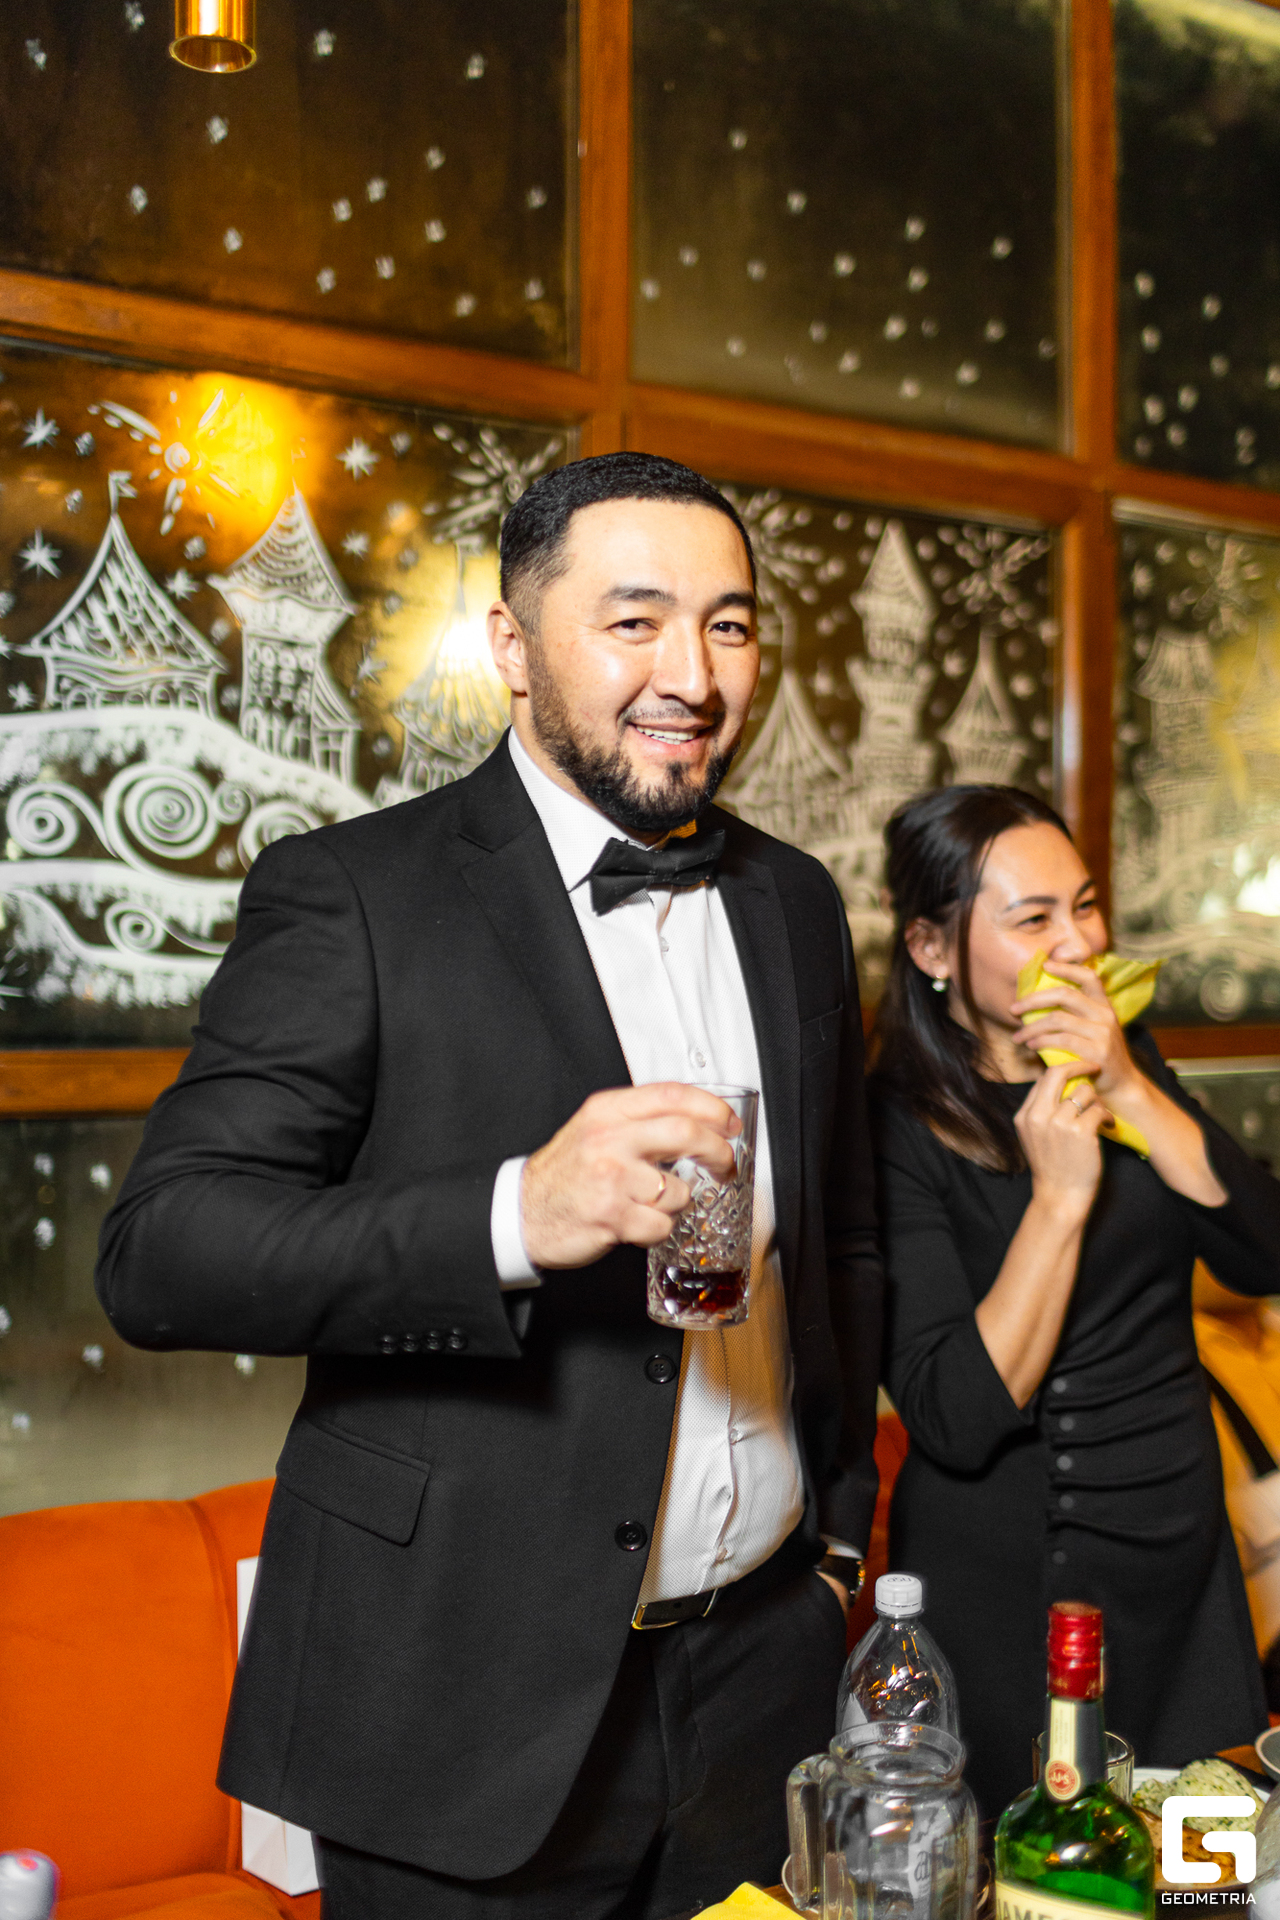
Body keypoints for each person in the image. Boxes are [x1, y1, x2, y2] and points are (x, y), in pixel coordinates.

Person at [95, 451, 883, 1920]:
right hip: (457, 1698)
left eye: (727, 625)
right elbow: (164, 1251)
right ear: (512, 647)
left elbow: (844, 1239)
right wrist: (518, 1213)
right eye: (633, 621)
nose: (692, 675)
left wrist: (834, 1554)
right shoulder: (353, 893)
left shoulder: (794, 900)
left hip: (763, 1677)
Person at [870, 782, 1274, 1820]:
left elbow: (1262, 1253)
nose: (1081, 943)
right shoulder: (892, 1127)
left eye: (1085, 905)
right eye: (1033, 918)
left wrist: (1129, 1087)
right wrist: (1058, 1197)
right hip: (1014, 1584)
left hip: (1179, 1555)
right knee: (1042, 1872)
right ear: (930, 948)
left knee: (1204, 1873)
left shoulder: (1123, 1055)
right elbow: (956, 1416)